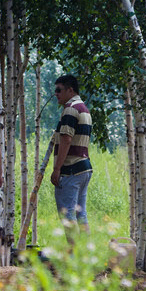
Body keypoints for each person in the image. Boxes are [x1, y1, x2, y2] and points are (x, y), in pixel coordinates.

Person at [50, 74, 92, 226]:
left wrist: (57, 169)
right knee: (81, 214)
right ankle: (84, 250)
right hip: (84, 168)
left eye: (59, 90)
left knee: (67, 214)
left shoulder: (70, 109)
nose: (56, 94)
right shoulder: (84, 109)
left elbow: (66, 140)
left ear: (70, 90)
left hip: (72, 169)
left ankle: (74, 250)